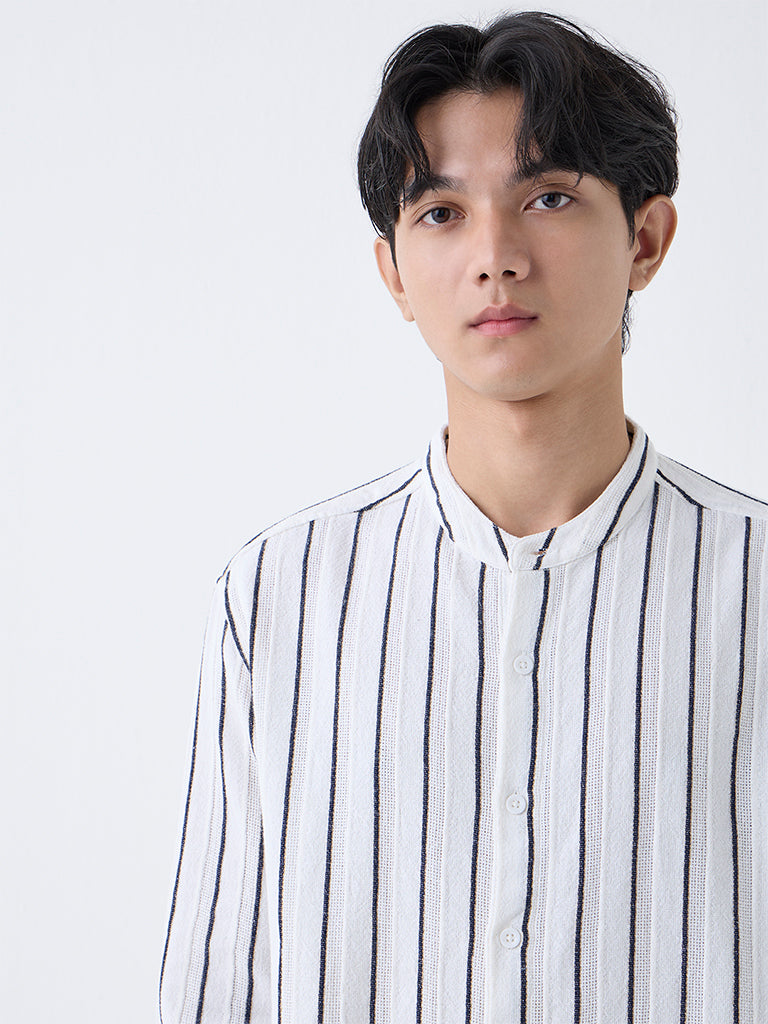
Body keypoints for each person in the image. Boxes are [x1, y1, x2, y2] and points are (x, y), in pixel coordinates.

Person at [159, 11, 768, 1023]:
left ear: (646, 240)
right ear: (394, 272)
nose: (496, 255)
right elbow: (217, 987)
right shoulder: (277, 599)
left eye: (550, 196)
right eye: (441, 212)